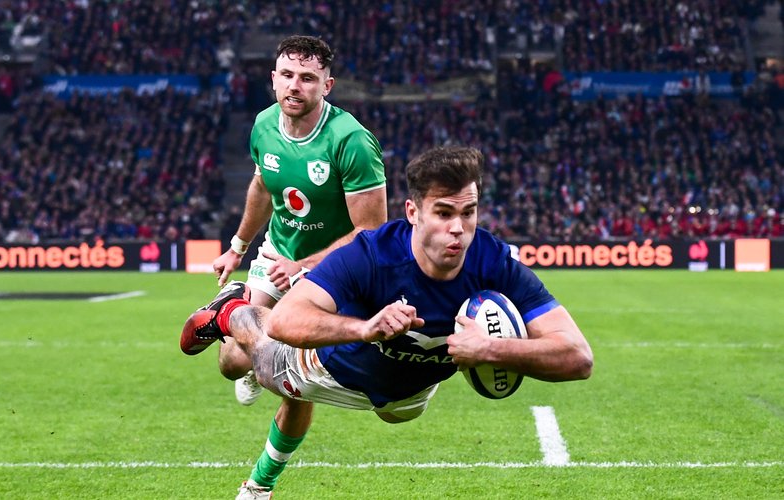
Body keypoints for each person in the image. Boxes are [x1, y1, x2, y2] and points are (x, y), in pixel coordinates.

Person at [182, 146, 593, 499]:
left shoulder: (496, 264)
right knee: (250, 362)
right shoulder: (371, 254)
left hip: (409, 391)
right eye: (443, 213)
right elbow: (286, 320)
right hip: (334, 366)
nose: (458, 229)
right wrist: (365, 329)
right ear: (413, 212)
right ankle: (232, 309)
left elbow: (578, 357)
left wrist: (489, 348)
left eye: (468, 212)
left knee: (395, 415)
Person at [209, 35, 388, 405]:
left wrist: (304, 265)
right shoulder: (263, 125)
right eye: (287, 75)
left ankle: (270, 348)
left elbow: (372, 231)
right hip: (279, 252)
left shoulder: (351, 140)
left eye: (307, 78)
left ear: (327, 86)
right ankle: (250, 327)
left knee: (313, 367)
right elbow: (262, 187)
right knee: (230, 364)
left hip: (337, 265)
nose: (294, 85)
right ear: (274, 78)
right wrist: (237, 248)